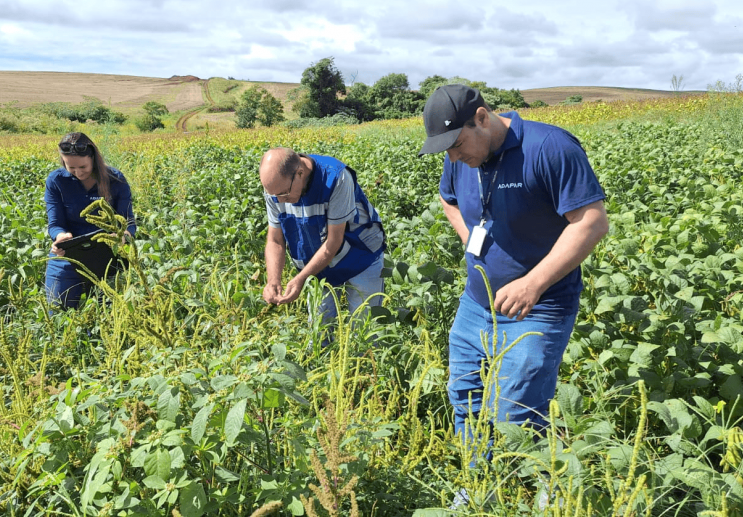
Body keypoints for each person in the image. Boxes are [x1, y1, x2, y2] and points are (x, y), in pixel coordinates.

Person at [417, 85, 609, 450]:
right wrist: (471, 241)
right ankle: (477, 479)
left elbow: (591, 222)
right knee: (465, 399)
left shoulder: (549, 147)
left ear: (481, 118)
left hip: (538, 309)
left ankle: (532, 481)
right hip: (475, 305)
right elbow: (448, 199)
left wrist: (532, 284)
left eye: (457, 145)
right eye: (447, 150)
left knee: (516, 416)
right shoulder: (458, 157)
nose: (453, 157)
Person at [259, 147, 385, 336]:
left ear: (300, 173)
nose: (279, 200)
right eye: (273, 195)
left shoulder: (336, 178)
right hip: (318, 264)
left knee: (365, 330)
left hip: (361, 255)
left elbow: (333, 242)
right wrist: (273, 280)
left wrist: (301, 278)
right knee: (319, 331)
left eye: (283, 194)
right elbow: (275, 240)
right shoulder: (277, 187)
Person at [44, 132, 136, 309]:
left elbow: (128, 222)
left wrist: (123, 236)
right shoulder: (56, 181)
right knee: (58, 311)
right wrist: (60, 236)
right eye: (71, 167)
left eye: (83, 167)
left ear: (93, 158)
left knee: (108, 314)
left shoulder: (115, 179)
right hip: (68, 255)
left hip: (108, 256)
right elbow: (55, 224)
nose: (78, 172)